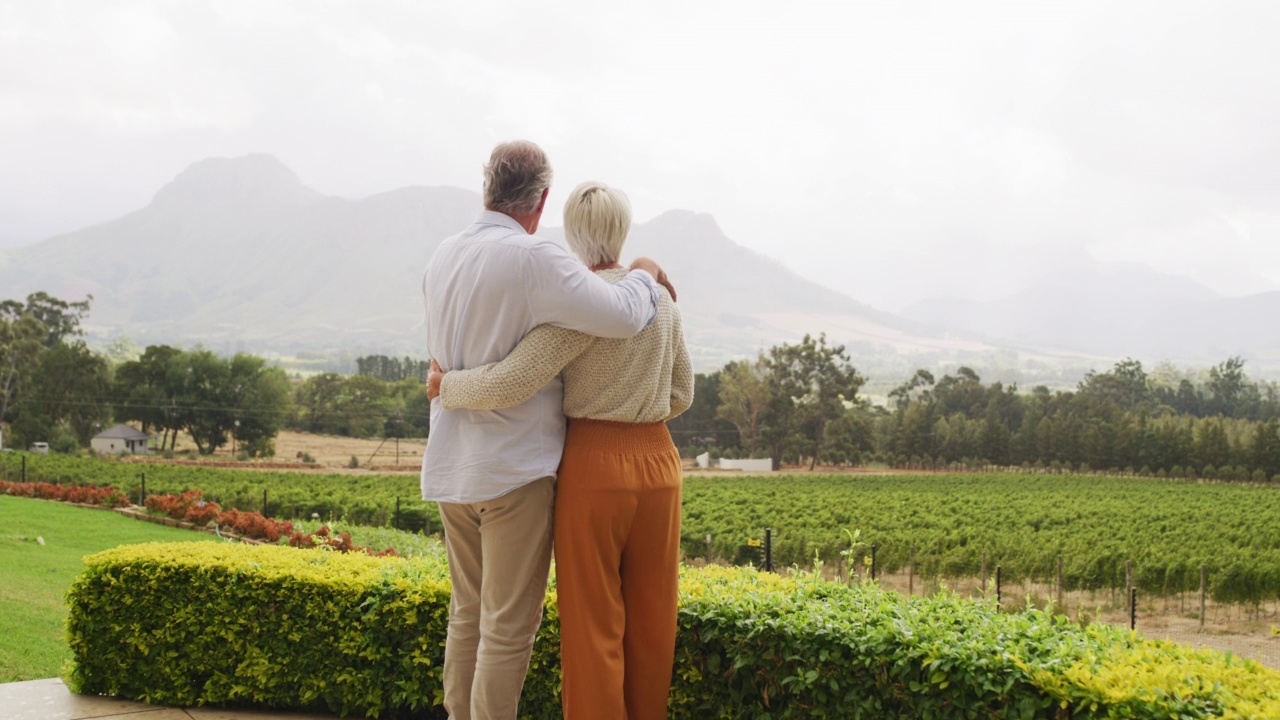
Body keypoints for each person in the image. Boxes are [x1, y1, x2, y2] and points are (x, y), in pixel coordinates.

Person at [421, 141, 675, 720]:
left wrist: (445, 387)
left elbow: (457, 359)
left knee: (468, 614)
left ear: (488, 188)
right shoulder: (536, 259)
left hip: (453, 465)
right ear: (540, 202)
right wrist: (646, 273)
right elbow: (623, 315)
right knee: (508, 628)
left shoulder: (442, 255)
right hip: (513, 471)